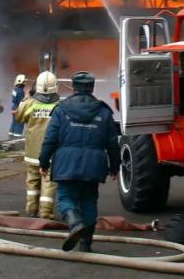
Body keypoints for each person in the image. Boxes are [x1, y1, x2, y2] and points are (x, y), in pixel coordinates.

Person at [39, 71, 120, 253]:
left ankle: (75, 224)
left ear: (74, 88)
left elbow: (50, 139)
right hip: (94, 166)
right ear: (92, 88)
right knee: (89, 201)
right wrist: (115, 166)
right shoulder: (104, 112)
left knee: (66, 198)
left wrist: (43, 162)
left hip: (66, 164)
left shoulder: (62, 109)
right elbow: (113, 144)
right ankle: (86, 244)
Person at [15, 71, 60, 219]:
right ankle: (46, 213)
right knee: (48, 182)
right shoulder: (59, 106)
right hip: (52, 154)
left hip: (32, 153)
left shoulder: (29, 104)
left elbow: (19, 117)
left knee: (32, 181)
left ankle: (31, 209)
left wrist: (27, 97)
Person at [10, 74, 27, 138]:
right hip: (18, 110)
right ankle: (16, 139)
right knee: (19, 124)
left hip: (14, 108)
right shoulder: (20, 91)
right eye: (24, 82)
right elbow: (21, 103)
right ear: (21, 82)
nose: (25, 83)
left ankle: (10, 138)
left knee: (14, 123)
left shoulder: (15, 89)